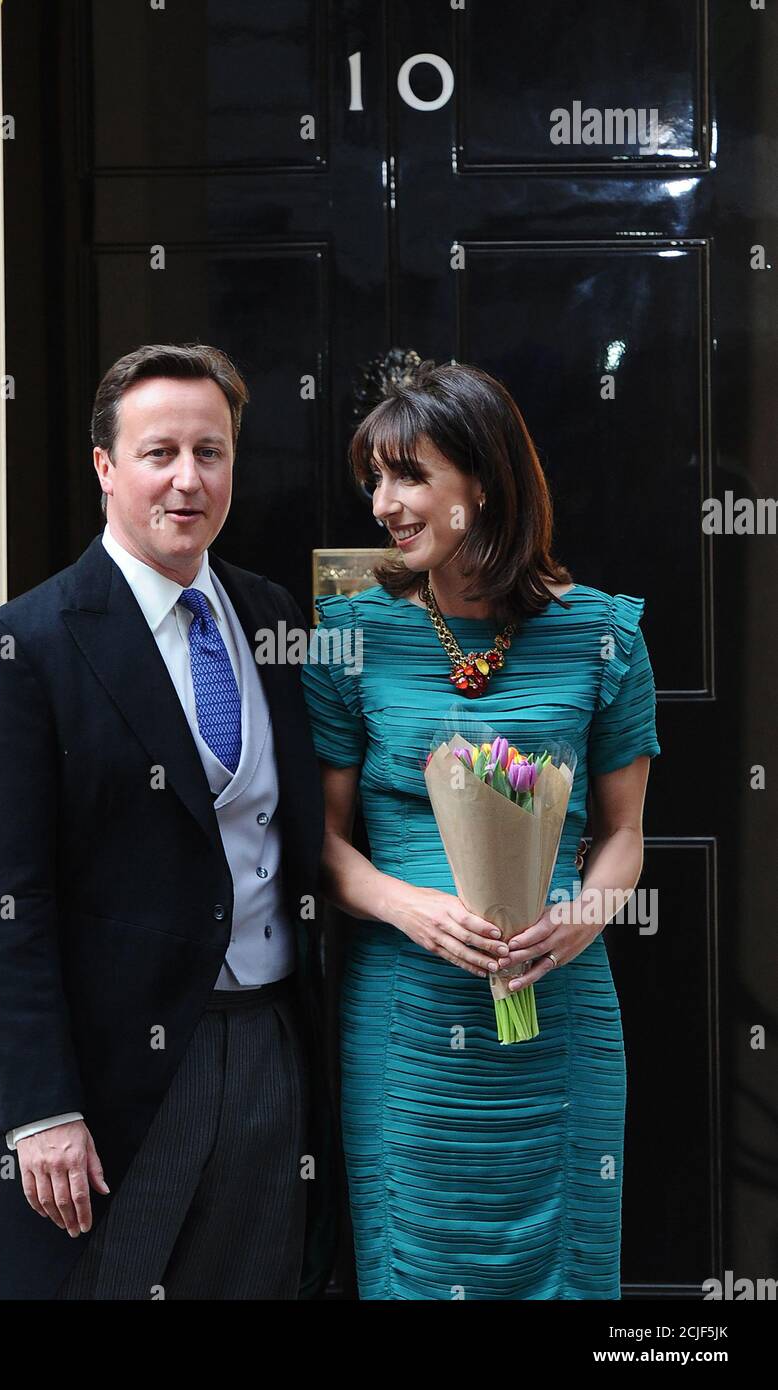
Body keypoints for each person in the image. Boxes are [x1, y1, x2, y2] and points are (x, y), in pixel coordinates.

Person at [0, 343, 333, 1300]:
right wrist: (39, 1110)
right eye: (159, 452)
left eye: (213, 451)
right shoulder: (21, 647)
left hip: (273, 1046)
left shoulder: (273, 614)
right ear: (105, 467)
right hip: (119, 1078)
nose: (188, 479)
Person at [301, 360, 661, 1299]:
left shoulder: (604, 636)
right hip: (408, 1016)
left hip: (560, 1008)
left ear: (486, 483)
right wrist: (407, 906)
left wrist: (583, 915)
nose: (383, 503)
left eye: (408, 475)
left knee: (567, 1271)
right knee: (412, 1261)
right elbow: (320, 842)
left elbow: (625, 833)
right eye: (374, 479)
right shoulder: (348, 638)